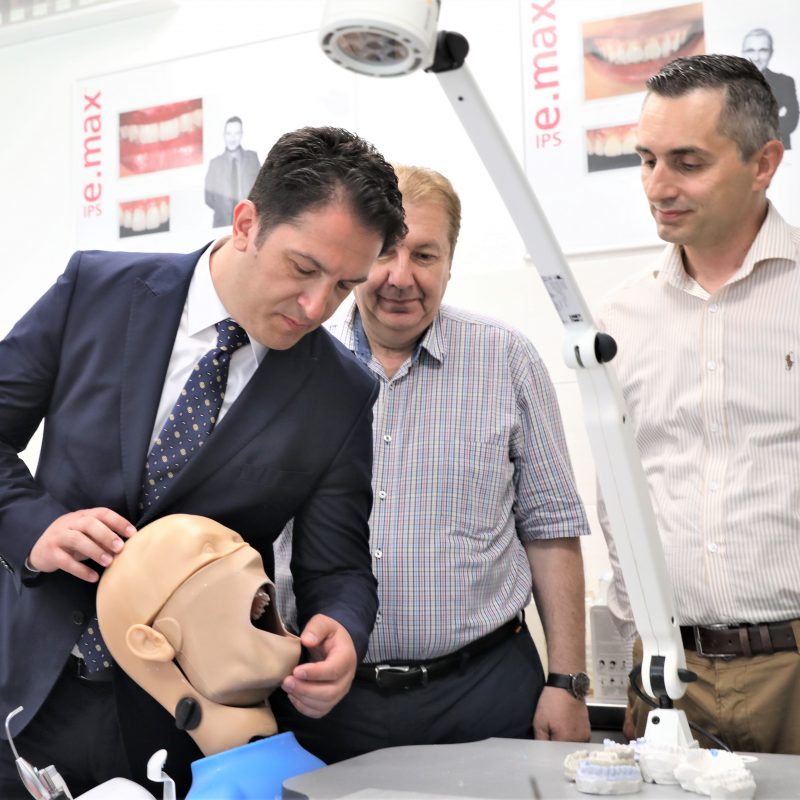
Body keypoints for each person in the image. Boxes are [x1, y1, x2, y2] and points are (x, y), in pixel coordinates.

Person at [0, 125, 407, 798]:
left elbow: (337, 567)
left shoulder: (340, 392)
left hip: (186, 725)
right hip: (27, 692)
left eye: (344, 286)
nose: (317, 307)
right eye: (303, 269)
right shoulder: (95, 290)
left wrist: (343, 629)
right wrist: (34, 527)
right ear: (246, 223)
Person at [272, 165, 592, 764]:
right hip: (322, 703)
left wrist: (567, 681)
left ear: (449, 262)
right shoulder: (290, 362)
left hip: (485, 693)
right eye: (385, 252)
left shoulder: (507, 360)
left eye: (424, 255)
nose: (401, 277)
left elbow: (551, 529)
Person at [597, 54, 800, 754]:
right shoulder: (619, 318)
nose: (659, 186)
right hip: (666, 675)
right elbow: (619, 495)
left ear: (763, 163)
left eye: (687, 162)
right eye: (647, 160)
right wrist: (638, 638)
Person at [95, 514, 325, 800]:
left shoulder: (305, 761)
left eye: (238, 544)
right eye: (209, 555)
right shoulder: (221, 792)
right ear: (152, 642)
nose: (251, 556)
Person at [742, 28, 799, 149]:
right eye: (750, 50)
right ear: (743, 53)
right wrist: (774, 117)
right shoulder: (730, 84)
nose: (756, 57)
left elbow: (790, 121)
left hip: (780, 151)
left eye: (763, 50)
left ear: (771, 53)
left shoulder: (785, 82)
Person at [204, 115, 262, 227]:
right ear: (224, 135)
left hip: (249, 224)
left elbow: (260, 187)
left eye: (236, 133)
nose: (232, 138)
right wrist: (223, 208)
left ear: (241, 134)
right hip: (222, 225)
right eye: (229, 134)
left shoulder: (252, 158)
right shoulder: (214, 164)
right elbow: (208, 198)